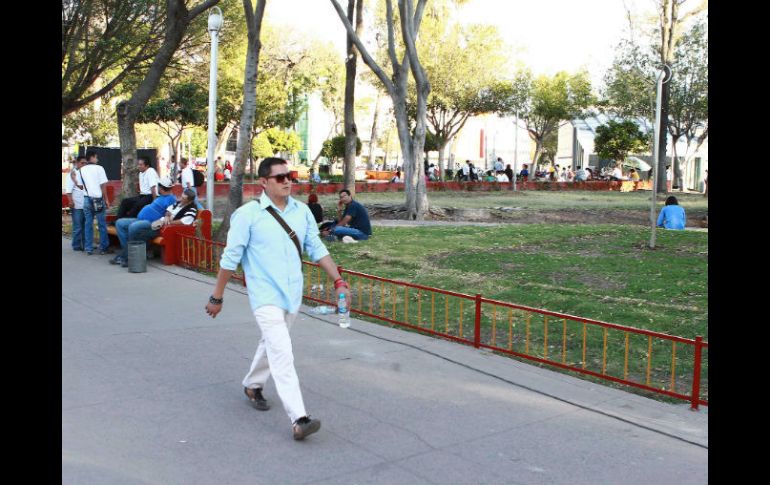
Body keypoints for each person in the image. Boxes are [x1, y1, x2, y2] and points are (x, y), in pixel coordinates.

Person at [205, 157, 348, 441]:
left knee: (271, 343)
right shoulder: (247, 215)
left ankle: (252, 384)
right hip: (264, 296)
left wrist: (338, 280)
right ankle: (299, 418)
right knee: (282, 351)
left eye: (290, 176)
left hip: (292, 293)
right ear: (264, 182)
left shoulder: (302, 212)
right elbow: (230, 259)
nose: (287, 182)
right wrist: (216, 297)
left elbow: (316, 247)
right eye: (280, 177)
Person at [110, 177, 178, 267]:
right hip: (140, 220)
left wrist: (167, 215)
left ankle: (127, 255)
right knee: (119, 223)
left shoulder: (171, 199)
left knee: (133, 227)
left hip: (150, 223)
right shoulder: (161, 197)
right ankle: (128, 251)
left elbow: (170, 213)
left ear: (161, 188)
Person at [77, 150, 113, 255]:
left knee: (88, 224)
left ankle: (88, 248)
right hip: (98, 200)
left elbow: (80, 186)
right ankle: (103, 248)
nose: (97, 159)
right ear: (92, 157)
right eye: (96, 157)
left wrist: (75, 180)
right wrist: (106, 199)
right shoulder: (99, 168)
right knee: (102, 224)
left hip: (87, 199)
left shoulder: (81, 170)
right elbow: (103, 186)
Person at [65, 156, 87, 252]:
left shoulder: (85, 173)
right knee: (78, 226)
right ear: (77, 163)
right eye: (82, 163)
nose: (84, 165)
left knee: (84, 226)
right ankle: (76, 245)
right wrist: (71, 201)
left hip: (85, 204)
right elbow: (68, 191)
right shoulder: (72, 174)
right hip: (77, 205)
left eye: (85, 163)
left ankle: (85, 244)